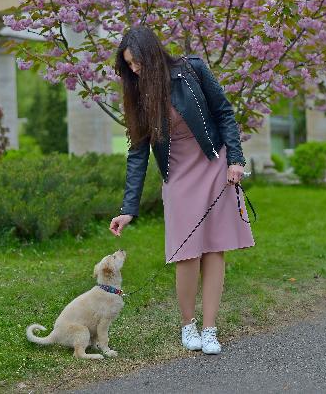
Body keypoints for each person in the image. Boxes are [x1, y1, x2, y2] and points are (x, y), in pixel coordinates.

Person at [108, 25, 255, 355]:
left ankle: (210, 328)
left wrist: (236, 159)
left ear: (152, 54)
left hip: (212, 164)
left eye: (137, 63)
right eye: (128, 66)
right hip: (177, 175)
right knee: (186, 252)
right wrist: (128, 208)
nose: (133, 70)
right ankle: (188, 324)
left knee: (215, 248)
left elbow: (224, 113)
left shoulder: (192, 70)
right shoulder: (138, 94)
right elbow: (137, 152)